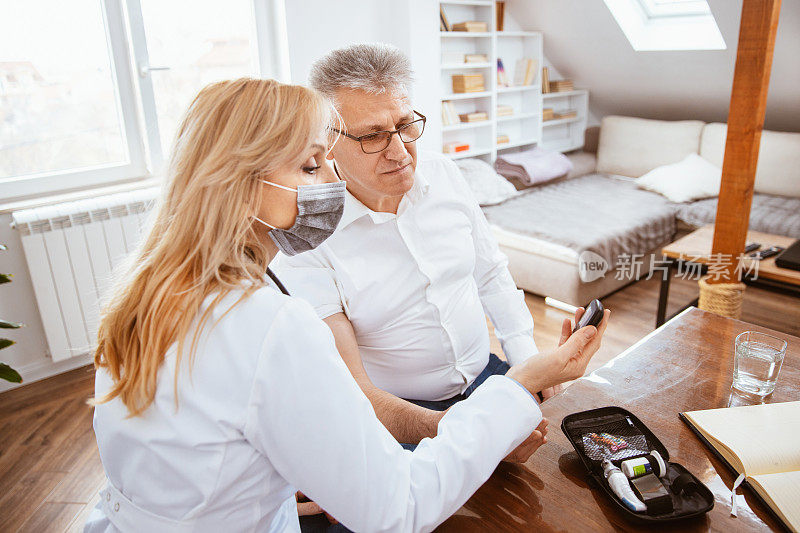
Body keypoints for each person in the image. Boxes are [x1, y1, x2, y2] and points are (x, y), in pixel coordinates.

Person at [84, 78, 610, 532]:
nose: (331, 182)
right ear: (241, 186)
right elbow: (396, 508)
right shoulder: (268, 324)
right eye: (312, 165)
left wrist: (275, 470)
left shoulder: (147, 294)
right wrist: (515, 390)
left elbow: (197, 443)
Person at [273, 44, 575, 458]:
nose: (399, 151)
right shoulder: (308, 233)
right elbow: (353, 392)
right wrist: (472, 432)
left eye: (404, 125)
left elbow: (490, 273)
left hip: (489, 377)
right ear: (326, 143)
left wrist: (527, 364)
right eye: (373, 136)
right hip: (396, 415)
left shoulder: (444, 173)